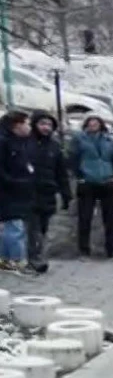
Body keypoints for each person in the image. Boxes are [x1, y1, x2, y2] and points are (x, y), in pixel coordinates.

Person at [69, 115, 113, 260]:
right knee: (85, 217)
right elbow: (73, 158)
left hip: (107, 181)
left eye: (96, 123)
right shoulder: (79, 139)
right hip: (87, 182)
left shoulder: (109, 140)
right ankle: (84, 251)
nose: (93, 125)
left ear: (101, 125)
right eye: (90, 123)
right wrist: (80, 177)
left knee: (110, 218)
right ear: (85, 125)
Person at [25, 113, 70, 273]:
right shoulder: (25, 143)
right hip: (28, 192)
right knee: (33, 228)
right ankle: (35, 259)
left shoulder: (55, 146)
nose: (46, 127)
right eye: (42, 123)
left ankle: (37, 257)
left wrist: (66, 195)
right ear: (35, 124)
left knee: (43, 228)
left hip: (48, 193)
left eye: (49, 125)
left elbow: (61, 173)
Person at [0, 112, 33, 273]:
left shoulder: (19, 142)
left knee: (10, 226)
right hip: (8, 192)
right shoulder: (4, 142)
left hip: (18, 191)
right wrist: (16, 182)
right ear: (17, 125)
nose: (29, 127)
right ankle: (17, 261)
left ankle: (6, 261)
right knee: (15, 227)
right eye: (27, 123)